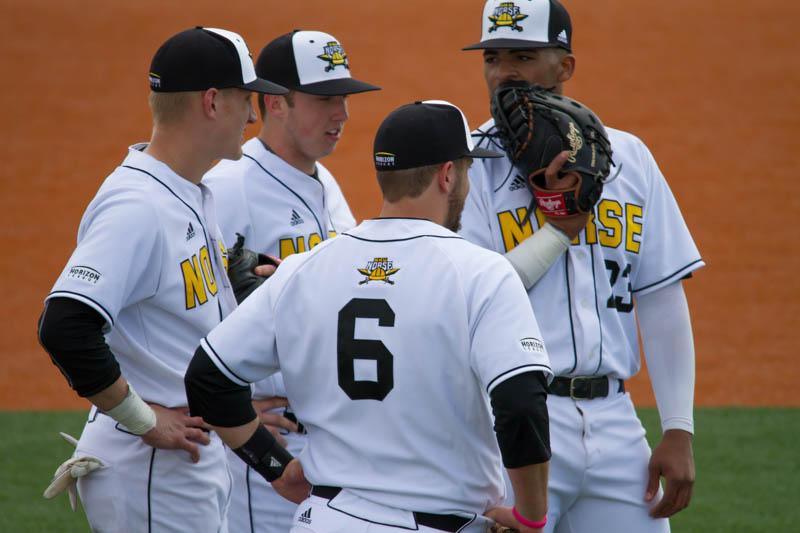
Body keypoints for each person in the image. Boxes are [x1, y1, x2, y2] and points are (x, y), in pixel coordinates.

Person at [186, 100, 554, 533]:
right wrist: (531, 518)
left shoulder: (305, 268)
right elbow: (520, 404)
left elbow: (207, 377)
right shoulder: (482, 272)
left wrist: (276, 468)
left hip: (322, 519)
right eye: (467, 172)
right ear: (447, 175)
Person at [460, 1, 704, 531]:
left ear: (565, 66)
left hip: (615, 422)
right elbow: (473, 298)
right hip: (512, 421)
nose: (503, 73)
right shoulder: (470, 166)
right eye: (492, 58)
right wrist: (557, 229)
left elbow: (660, 294)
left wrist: (678, 427)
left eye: (522, 56)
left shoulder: (628, 158)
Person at [37, 27, 288, 532]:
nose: (253, 117)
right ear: (213, 102)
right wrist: (143, 419)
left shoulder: (187, 189)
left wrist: (229, 281)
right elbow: (64, 324)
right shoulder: (137, 205)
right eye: (247, 99)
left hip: (181, 464)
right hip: (149, 467)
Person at [202, 29, 380, 533]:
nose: (341, 114)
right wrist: (234, 408)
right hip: (265, 451)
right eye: (325, 99)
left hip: (326, 439)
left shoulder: (325, 182)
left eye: (343, 98)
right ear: (274, 104)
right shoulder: (228, 187)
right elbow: (180, 309)